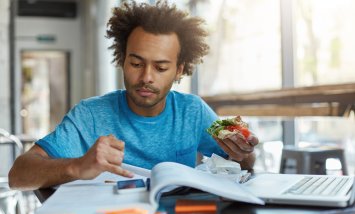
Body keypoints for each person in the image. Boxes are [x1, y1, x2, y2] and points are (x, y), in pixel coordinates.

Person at [8, 1, 258, 190]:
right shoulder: (90, 114)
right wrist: (78, 165)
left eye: (160, 68)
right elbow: (17, 175)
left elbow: (245, 161)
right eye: (136, 63)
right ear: (122, 60)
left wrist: (244, 153)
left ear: (179, 69)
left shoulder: (194, 109)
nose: (146, 77)